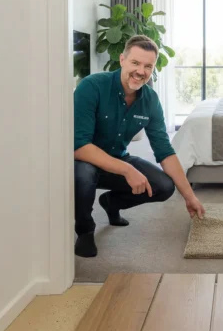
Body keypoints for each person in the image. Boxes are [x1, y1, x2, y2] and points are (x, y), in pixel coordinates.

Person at [73, 35, 205, 258]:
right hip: (86, 160)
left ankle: (111, 202)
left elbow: (164, 151)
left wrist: (190, 196)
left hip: (118, 157)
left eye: (148, 66)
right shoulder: (92, 87)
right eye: (135, 63)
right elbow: (78, 146)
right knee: (84, 175)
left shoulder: (150, 100)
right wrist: (127, 170)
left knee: (163, 186)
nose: (141, 71)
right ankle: (85, 230)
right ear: (122, 59)